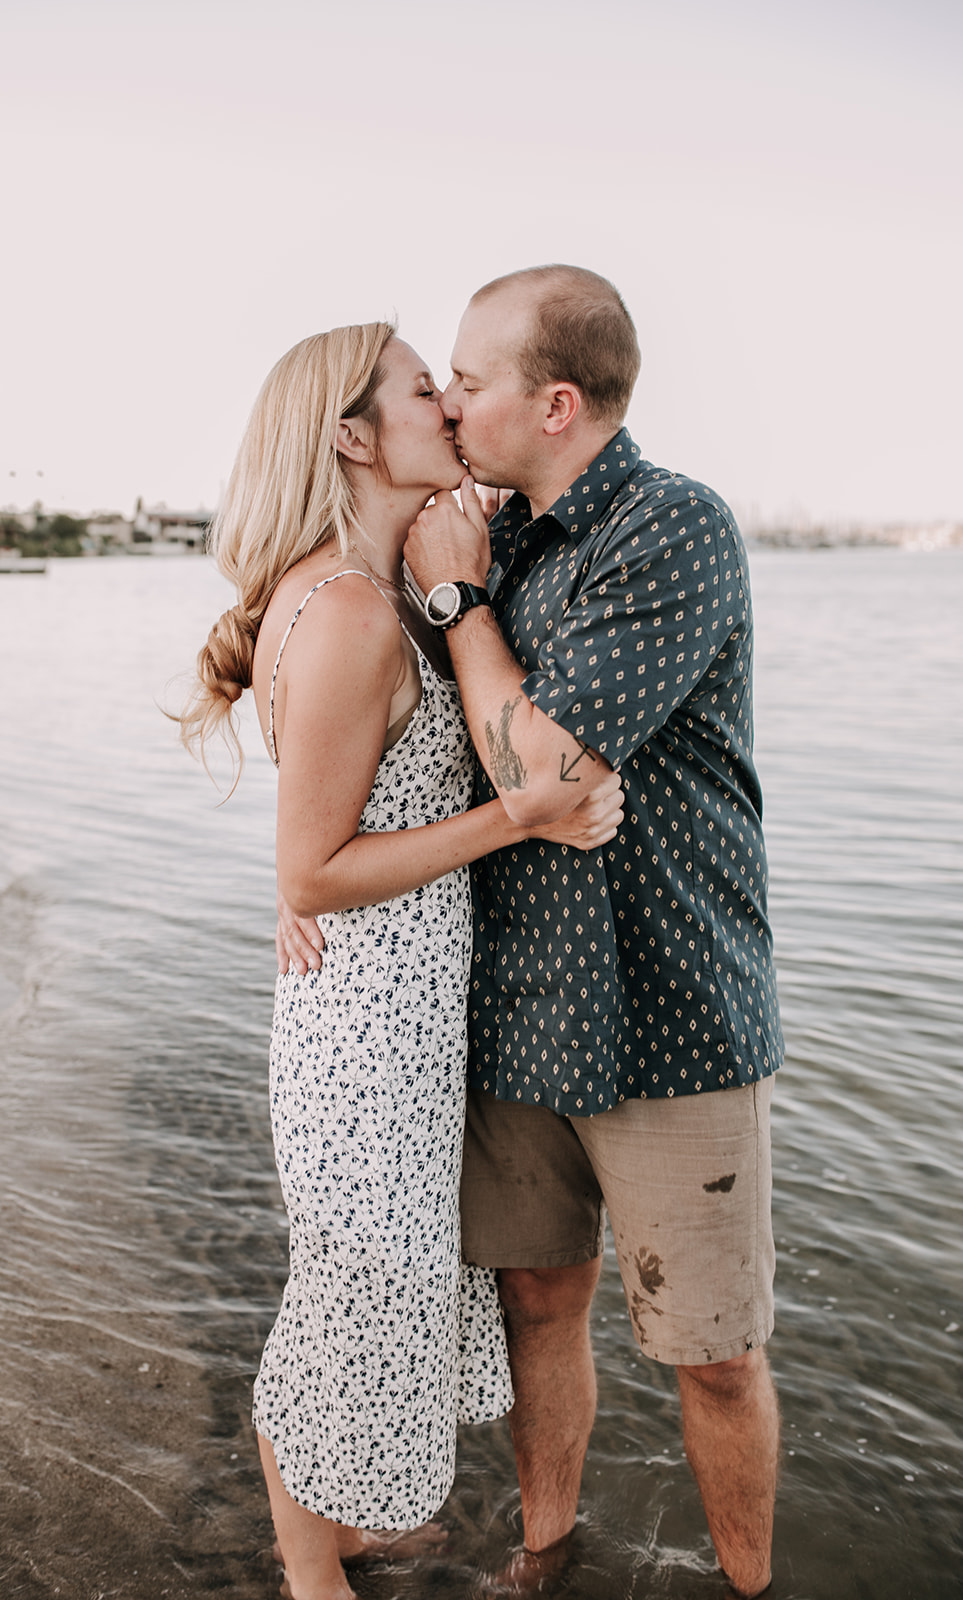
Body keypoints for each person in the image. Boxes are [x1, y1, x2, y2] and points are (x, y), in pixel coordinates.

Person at [179, 320, 625, 1600]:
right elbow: (312, 870)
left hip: (402, 1022)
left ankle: (341, 1531)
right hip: (364, 1034)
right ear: (351, 434)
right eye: (423, 391)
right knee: (345, 1298)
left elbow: (334, 838)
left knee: (382, 1285)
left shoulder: (381, 596)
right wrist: (519, 814)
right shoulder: (349, 616)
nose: (448, 405)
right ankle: (311, 1574)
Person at [396, 265, 786, 1599]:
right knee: (535, 1308)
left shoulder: (672, 528)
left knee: (714, 1352)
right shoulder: (484, 535)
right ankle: (542, 1554)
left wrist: (460, 612)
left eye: (469, 378)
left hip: (671, 1016)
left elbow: (542, 765)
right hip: (514, 1011)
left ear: (554, 404)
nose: (447, 400)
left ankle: (747, 1585)